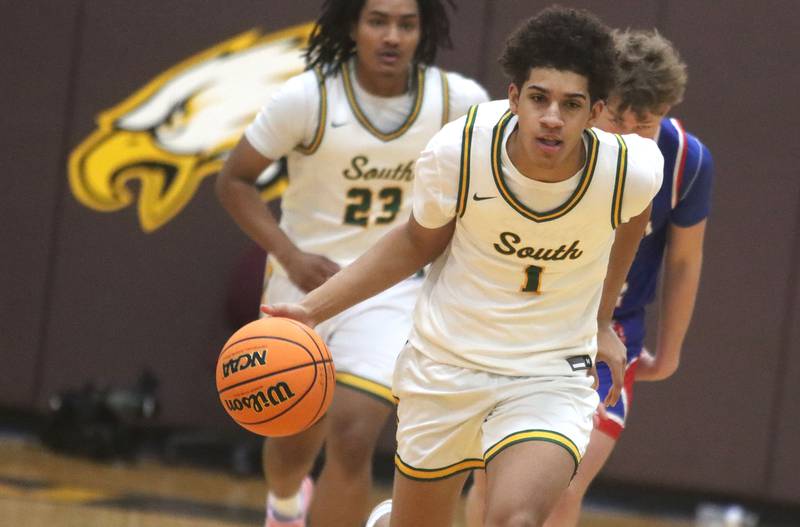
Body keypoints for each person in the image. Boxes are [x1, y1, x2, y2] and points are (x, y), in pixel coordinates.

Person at [261, 6, 664, 527]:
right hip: (445, 365)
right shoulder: (460, 149)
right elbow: (413, 242)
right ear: (514, 97)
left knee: (514, 519)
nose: (551, 117)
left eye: (572, 104)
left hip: (547, 373)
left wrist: (603, 320)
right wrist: (312, 310)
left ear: (596, 112)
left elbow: (632, 220)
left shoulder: (628, 170)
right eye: (539, 98)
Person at [215, 0, 488, 526]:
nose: (392, 36)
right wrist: (289, 255)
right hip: (305, 285)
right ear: (353, 25)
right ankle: (286, 506)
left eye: (406, 24)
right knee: (291, 444)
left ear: (422, 31)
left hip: (391, 287)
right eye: (378, 21)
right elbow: (234, 180)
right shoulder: (308, 97)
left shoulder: (457, 100)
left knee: (353, 434)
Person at [465, 28, 714, 527]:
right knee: (494, 478)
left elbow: (685, 261)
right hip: (522, 321)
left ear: (666, 112)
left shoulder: (685, 161)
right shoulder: (552, 142)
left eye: (646, 123)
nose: (629, 136)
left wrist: (670, 350)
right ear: (596, 104)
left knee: (561, 482)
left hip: (606, 333)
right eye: (618, 118)